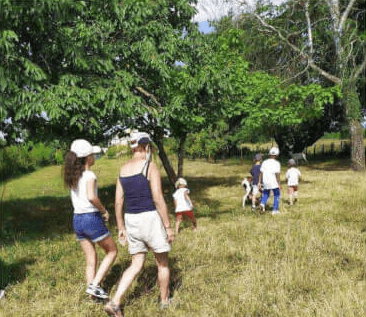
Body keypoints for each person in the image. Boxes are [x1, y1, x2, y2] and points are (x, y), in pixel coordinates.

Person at [105, 132, 174, 317]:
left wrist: (121, 227)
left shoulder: (122, 169)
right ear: (146, 146)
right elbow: (158, 198)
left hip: (130, 219)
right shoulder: (149, 166)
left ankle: (115, 301)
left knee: (136, 264)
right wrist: (167, 226)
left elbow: (118, 202)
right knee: (162, 263)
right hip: (149, 218)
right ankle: (165, 301)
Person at [64, 139, 117, 300]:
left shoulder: (73, 177)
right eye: (93, 154)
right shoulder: (90, 175)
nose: (94, 157)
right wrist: (104, 211)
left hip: (77, 220)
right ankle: (95, 285)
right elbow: (92, 197)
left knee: (90, 258)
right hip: (90, 218)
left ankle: (91, 296)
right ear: (87, 158)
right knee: (112, 251)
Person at [258, 147, 281, 215]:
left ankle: (262, 203)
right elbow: (277, 174)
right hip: (273, 181)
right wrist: (279, 183)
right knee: (276, 195)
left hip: (265, 181)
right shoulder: (277, 163)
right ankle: (275, 210)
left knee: (266, 193)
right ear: (276, 155)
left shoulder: (264, 162)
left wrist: (259, 182)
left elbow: (261, 173)